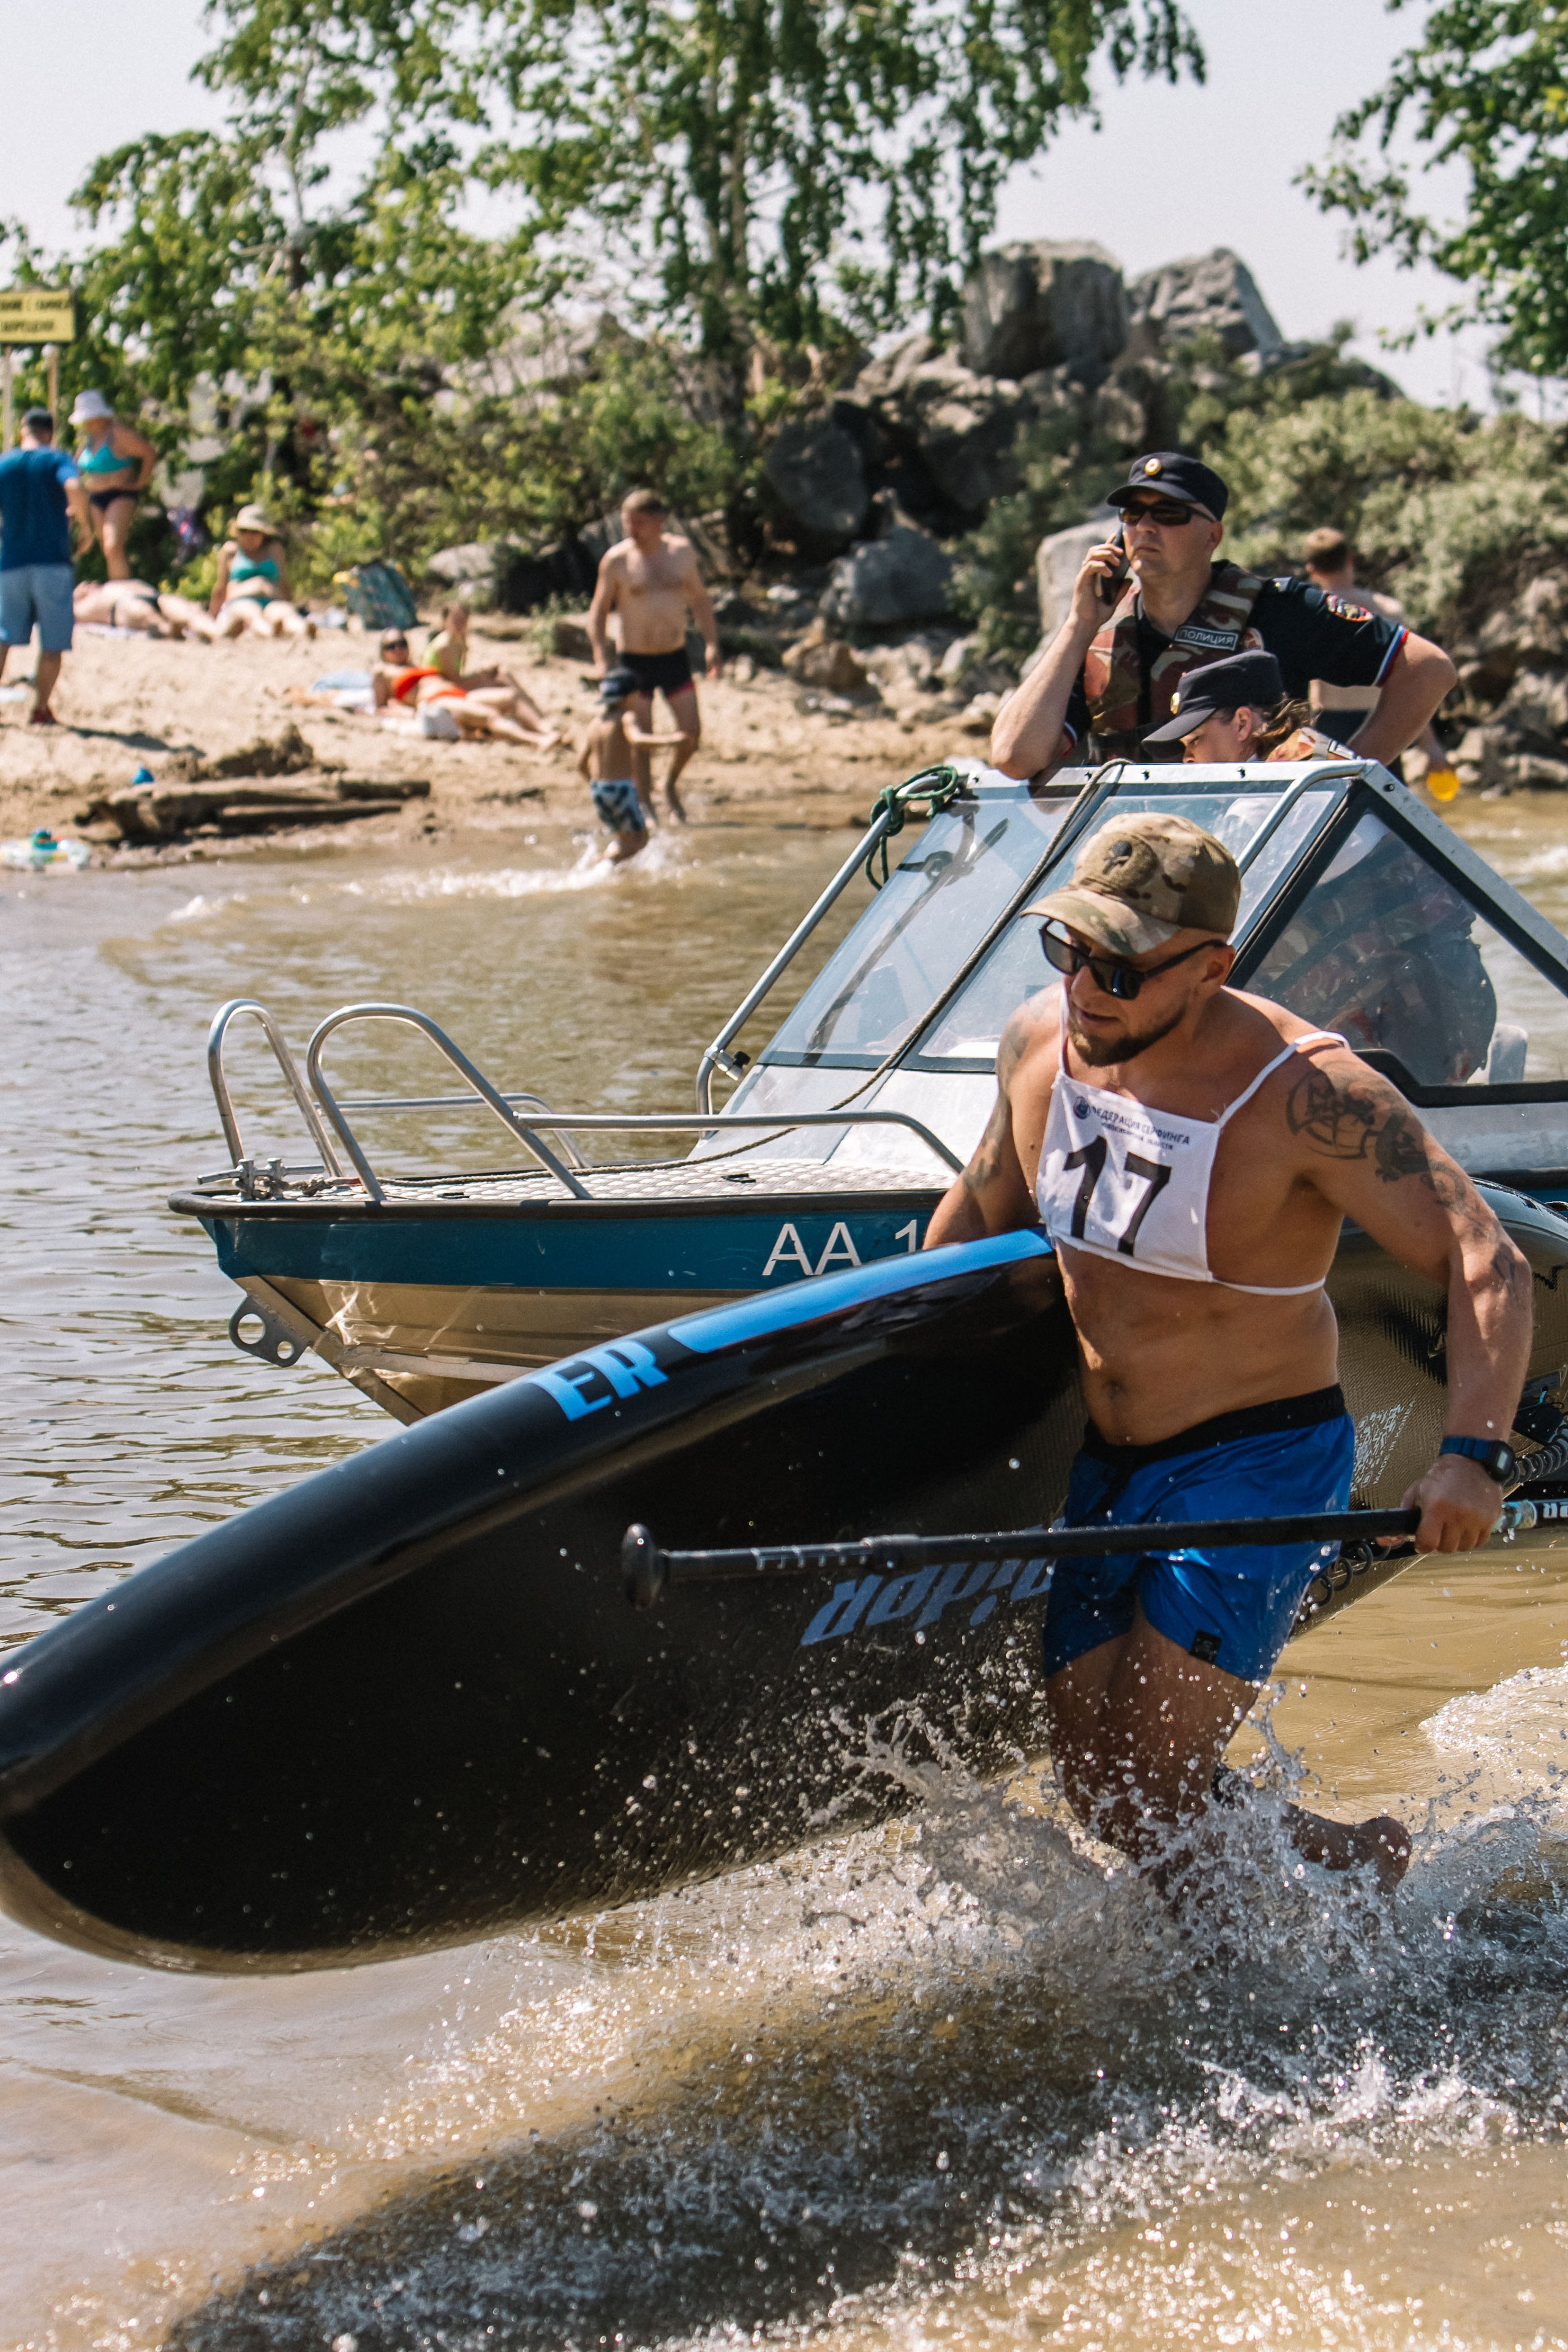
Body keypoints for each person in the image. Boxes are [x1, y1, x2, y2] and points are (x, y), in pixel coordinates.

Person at [923, 809, 1532, 1892]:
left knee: (1155, 1776)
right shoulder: (1036, 1043)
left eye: (1122, 967)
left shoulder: (1310, 1095)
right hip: (1108, 1464)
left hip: (1258, 1462)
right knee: (1105, 1789)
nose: (1087, 987)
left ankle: (1227, 2027)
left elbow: (1485, 1260)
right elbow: (971, 1223)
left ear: (1211, 968)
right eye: (1069, 948)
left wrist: (1470, 1455)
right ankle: (1355, 1860)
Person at [992, 453, 1457, 777]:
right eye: (1133, 514)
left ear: (1212, 536)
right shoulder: (1096, 638)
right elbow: (1014, 757)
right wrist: (1077, 627)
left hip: (1255, 863)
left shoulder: (1279, 611)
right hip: (1141, 872)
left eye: (1169, 513)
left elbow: (1429, 670)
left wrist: (1346, 781)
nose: (1145, 527)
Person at [587, 488, 720, 822]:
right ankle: (645, 805)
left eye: (639, 523)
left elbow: (701, 601)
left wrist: (712, 644)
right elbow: (599, 610)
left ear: (659, 521)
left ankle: (670, 784)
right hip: (635, 660)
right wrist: (601, 657)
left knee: (691, 733)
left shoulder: (682, 553)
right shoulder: (617, 560)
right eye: (626, 522)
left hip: (674, 656)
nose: (631, 529)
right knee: (640, 741)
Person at [1301, 527, 1460, 796]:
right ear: (1350, 560)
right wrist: (1432, 748)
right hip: (1383, 724)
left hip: (1327, 726)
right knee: (1387, 815)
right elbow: (1412, 685)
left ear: (1311, 569)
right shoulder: (1388, 611)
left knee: (1325, 811)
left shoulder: (1309, 612)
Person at [0, 406, 91, 726]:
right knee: (52, 643)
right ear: (50, 433)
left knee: (3, 637)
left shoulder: (5, 463)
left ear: (23, 429)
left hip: (10, 563)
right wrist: (85, 524)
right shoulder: (57, 460)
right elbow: (75, 488)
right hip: (52, 563)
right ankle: (40, 709)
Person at [1141, 649, 1354, 764]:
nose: (1187, 759)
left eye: (1195, 740)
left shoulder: (1275, 787)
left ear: (1242, 723)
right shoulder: (1301, 756)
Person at [578, 668, 693, 862]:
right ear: (629, 697)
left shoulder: (595, 724)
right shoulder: (626, 718)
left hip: (599, 790)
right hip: (621, 790)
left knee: (625, 839)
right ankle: (603, 864)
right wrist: (672, 740)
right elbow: (638, 740)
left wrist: (599, 788)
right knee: (641, 841)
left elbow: (581, 765)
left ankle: (610, 867)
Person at [370, 628, 557, 746]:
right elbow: (380, 707)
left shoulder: (418, 666)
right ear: (383, 652)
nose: (398, 649)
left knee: (510, 697)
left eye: (402, 644)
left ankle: (546, 730)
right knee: (489, 715)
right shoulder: (383, 671)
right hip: (437, 701)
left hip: (458, 695)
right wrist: (406, 713)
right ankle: (538, 741)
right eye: (391, 646)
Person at [426, 603, 557, 737]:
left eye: (463, 619)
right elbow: (454, 681)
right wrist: (482, 675)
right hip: (444, 691)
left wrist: (484, 674)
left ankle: (538, 716)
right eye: (456, 620)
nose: (461, 623)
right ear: (445, 621)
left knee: (503, 674)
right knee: (504, 687)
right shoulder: (444, 646)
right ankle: (540, 722)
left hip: (452, 687)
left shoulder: (459, 641)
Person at [69, 390, 156, 582]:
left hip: (120, 494)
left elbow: (148, 453)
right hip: (96, 498)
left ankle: (121, 591)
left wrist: (140, 482)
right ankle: (118, 586)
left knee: (113, 545)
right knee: (108, 551)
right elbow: (73, 468)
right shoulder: (88, 440)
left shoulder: (118, 434)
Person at [210, 507, 315, 638]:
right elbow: (221, 587)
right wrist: (212, 617)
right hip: (241, 600)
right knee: (251, 613)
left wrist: (291, 603)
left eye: (254, 531)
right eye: (244, 531)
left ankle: (303, 630)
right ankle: (269, 632)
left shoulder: (274, 550)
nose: (249, 536)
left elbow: (283, 581)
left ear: (263, 533)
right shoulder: (231, 551)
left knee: (285, 613)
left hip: (272, 600)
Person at [72, 577, 219, 641]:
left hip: (155, 596)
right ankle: (174, 629)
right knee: (160, 626)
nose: (89, 584)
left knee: (190, 614)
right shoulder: (77, 607)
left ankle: (216, 634)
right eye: (82, 585)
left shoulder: (108, 586)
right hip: (123, 605)